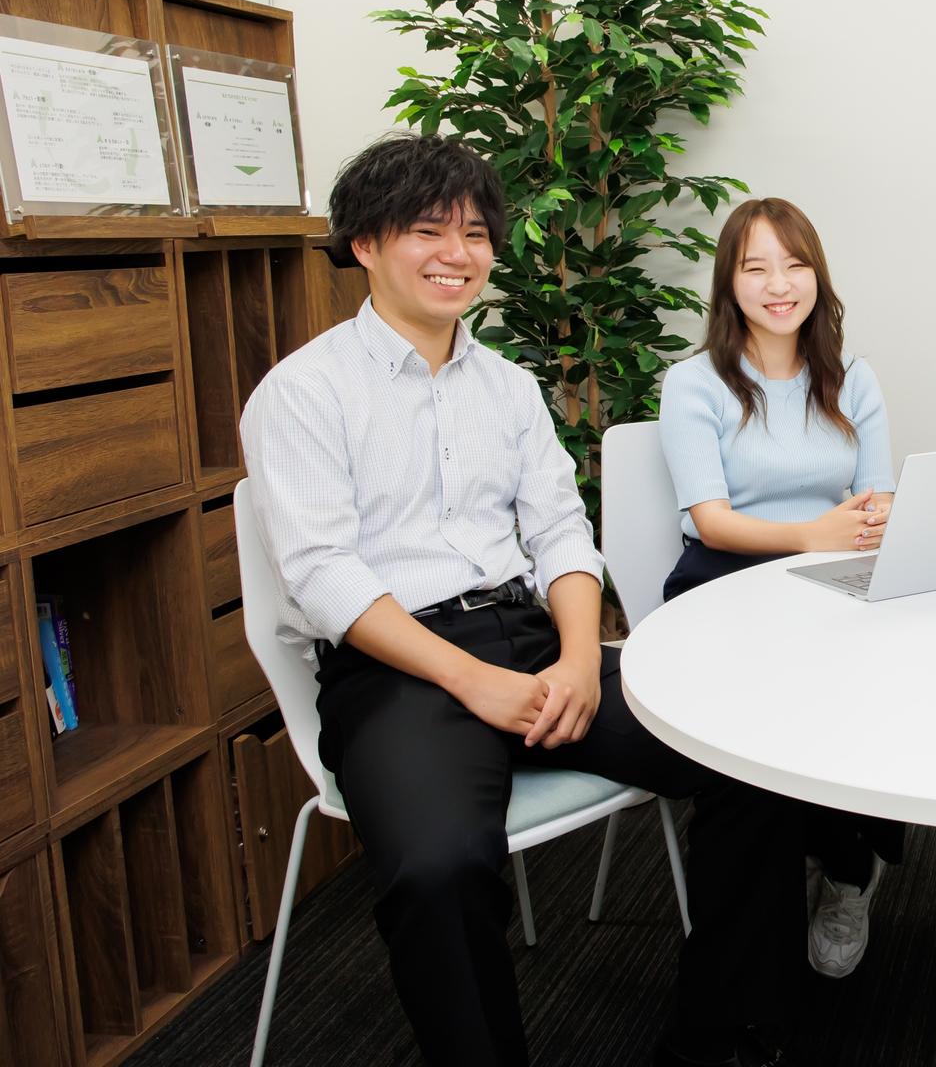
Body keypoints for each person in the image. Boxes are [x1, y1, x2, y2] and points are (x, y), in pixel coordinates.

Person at [240, 133, 801, 1067]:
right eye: (427, 231)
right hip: (397, 666)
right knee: (438, 870)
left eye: (474, 233)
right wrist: (472, 682)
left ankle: (722, 1035)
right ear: (365, 244)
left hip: (533, 640)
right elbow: (325, 574)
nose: (456, 254)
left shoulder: (508, 387)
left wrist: (579, 659)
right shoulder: (302, 393)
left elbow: (560, 536)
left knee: (754, 761)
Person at [657, 196, 902, 981]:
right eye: (755, 268)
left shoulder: (852, 378)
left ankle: (846, 867)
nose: (778, 285)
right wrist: (810, 535)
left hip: (830, 577)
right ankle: (809, 853)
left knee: (891, 677)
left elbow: (877, 498)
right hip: (724, 582)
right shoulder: (694, 383)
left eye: (794, 265)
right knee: (782, 703)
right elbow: (712, 521)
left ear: (816, 277)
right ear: (728, 284)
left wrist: (861, 527)